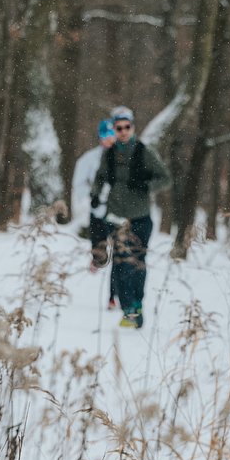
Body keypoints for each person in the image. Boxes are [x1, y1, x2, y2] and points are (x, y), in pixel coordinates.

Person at [90, 106, 171, 329]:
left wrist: (147, 185)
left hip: (140, 217)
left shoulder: (144, 151)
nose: (123, 131)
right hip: (116, 216)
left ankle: (137, 304)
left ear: (133, 128)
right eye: (119, 128)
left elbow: (165, 178)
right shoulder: (110, 154)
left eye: (127, 127)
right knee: (119, 264)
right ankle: (128, 310)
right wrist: (95, 195)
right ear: (114, 129)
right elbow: (100, 177)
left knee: (137, 263)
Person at [87, 118, 119, 309]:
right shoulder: (90, 158)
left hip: (118, 212)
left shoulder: (125, 157)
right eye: (105, 135)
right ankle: (96, 260)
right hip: (97, 211)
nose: (109, 139)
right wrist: (92, 196)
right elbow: (80, 183)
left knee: (119, 255)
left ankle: (112, 297)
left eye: (111, 135)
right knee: (100, 251)